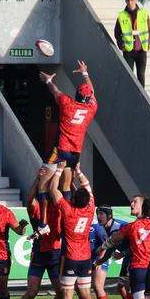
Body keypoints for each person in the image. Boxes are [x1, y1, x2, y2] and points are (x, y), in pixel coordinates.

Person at [9, 170, 64, 299]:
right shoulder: (39, 208)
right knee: (32, 291)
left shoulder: (61, 207)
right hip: (40, 254)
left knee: (62, 291)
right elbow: (29, 200)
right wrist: (37, 178)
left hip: (56, 254)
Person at [50, 161, 100, 299]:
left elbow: (53, 190)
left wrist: (58, 171)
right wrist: (78, 171)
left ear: (73, 199)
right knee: (86, 292)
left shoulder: (67, 208)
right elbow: (88, 187)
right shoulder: (90, 208)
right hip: (85, 257)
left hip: (70, 256)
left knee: (67, 293)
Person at [37, 60, 97, 202]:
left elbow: (55, 90)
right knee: (66, 187)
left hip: (61, 149)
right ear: (88, 99)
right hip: (75, 153)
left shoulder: (67, 103)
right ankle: (66, 216)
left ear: (76, 94)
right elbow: (92, 93)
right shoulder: (91, 108)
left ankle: (42, 223)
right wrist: (85, 73)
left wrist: (48, 80)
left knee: (43, 185)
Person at [77, 205, 123, 299]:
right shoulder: (82, 225)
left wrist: (101, 260)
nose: (98, 216)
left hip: (98, 260)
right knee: (81, 288)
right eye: (98, 214)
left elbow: (105, 244)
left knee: (98, 286)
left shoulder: (98, 228)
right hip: (86, 260)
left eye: (101, 214)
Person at [114, 0, 150, 87]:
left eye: (132, 0)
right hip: (128, 51)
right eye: (128, 0)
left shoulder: (143, 13)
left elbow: (149, 30)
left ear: (136, 0)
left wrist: (148, 43)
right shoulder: (122, 16)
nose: (130, 2)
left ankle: (142, 99)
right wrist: (121, 45)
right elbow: (117, 32)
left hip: (141, 50)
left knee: (141, 76)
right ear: (126, 2)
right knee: (129, 77)